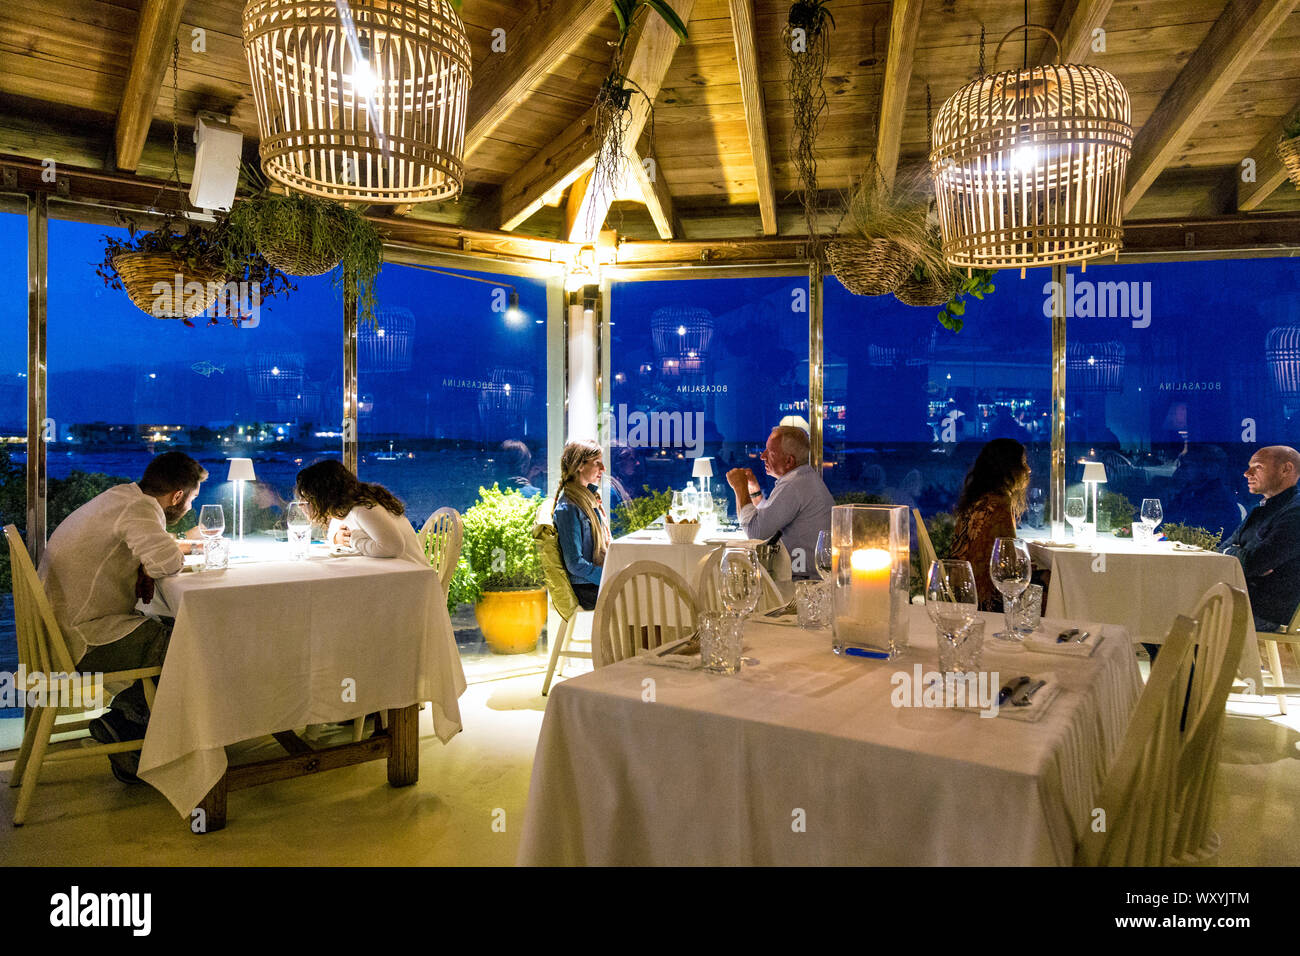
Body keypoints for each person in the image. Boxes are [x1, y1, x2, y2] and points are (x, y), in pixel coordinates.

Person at [39, 451, 208, 783]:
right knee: (195, 639)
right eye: (191, 500)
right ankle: (131, 723)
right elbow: (167, 564)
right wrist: (162, 556)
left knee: (174, 630)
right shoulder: (140, 508)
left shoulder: (121, 498)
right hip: (82, 639)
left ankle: (130, 725)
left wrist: (151, 558)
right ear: (177, 496)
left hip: (58, 630)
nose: (188, 508)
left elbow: (150, 555)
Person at [725, 425, 833, 579]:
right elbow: (771, 518)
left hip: (801, 583)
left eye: (770, 452)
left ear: (789, 461)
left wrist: (739, 487)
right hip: (809, 576)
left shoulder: (794, 484)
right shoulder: (802, 478)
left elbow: (756, 533)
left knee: (732, 576)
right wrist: (754, 491)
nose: (762, 456)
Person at [1219, 445, 1300, 632]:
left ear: (1286, 469)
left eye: (1258, 467)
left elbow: (1254, 562)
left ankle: (1206, 663)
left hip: (1266, 610)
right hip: (1244, 598)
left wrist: (1240, 554)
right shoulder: (1264, 508)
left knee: (1167, 614)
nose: (1247, 473)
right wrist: (1239, 554)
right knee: (1157, 608)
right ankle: (1199, 663)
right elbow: (1223, 549)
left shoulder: (1295, 512)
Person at [949, 438, 1031, 611]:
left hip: (959, 591)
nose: (1028, 470)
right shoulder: (1000, 505)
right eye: (1023, 463)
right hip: (985, 602)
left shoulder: (977, 501)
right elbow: (1009, 566)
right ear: (1008, 469)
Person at [294, 460, 424, 565]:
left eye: (307, 497)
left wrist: (353, 539)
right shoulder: (346, 507)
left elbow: (392, 548)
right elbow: (335, 531)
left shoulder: (363, 508)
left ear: (324, 495)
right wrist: (336, 538)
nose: (300, 505)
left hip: (412, 577)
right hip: (394, 573)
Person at [551, 440, 611, 610]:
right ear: (579, 466)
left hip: (592, 583)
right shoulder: (568, 508)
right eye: (597, 463)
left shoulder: (588, 499)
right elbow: (574, 563)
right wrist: (607, 575)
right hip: (585, 589)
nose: (603, 469)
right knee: (640, 593)